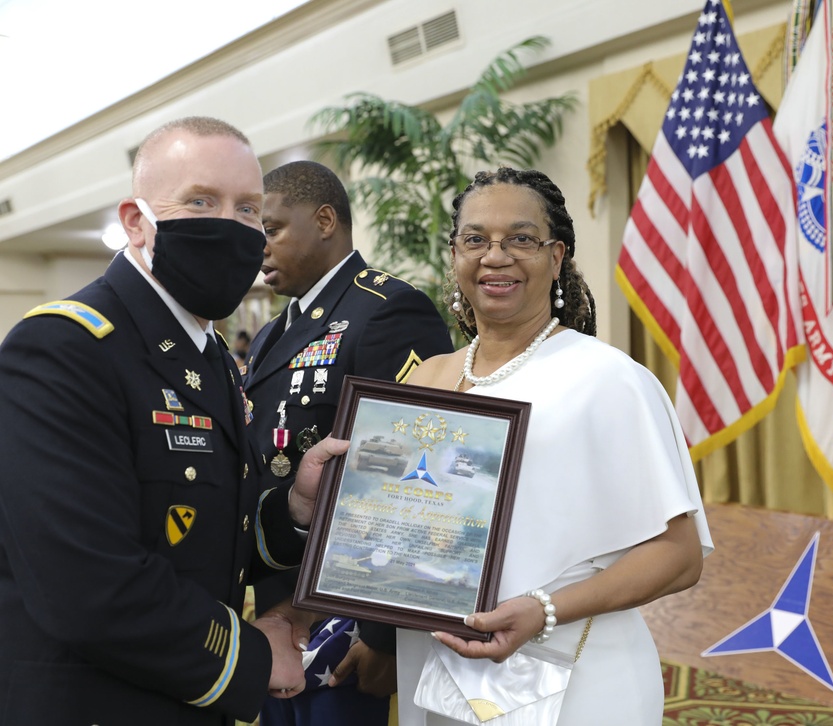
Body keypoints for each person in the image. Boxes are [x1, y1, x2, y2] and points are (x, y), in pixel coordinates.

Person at [0, 116, 348, 726]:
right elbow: (89, 587)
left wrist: (293, 506)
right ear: (136, 221)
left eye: (247, 210)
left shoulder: (207, 354)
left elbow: (208, 534)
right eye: (199, 201)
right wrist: (251, 656)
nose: (230, 225)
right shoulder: (64, 348)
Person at [396, 167, 714, 724]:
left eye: (521, 239)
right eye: (476, 239)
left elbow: (679, 554)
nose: (495, 256)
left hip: (576, 676)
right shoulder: (424, 379)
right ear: (454, 256)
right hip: (439, 670)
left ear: (557, 256)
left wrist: (544, 610)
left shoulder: (608, 380)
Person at [244, 160, 453, 725]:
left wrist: (385, 636)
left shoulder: (386, 310)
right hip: (276, 604)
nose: (258, 247)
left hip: (348, 613)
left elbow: (413, 476)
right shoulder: (272, 333)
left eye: (271, 229)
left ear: (326, 220)